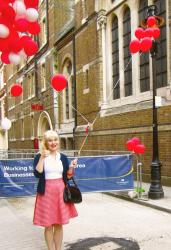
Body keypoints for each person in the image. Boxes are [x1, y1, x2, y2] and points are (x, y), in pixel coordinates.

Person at [33, 130, 78, 250]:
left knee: (58, 224)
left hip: (60, 193)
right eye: (50, 140)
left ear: (58, 141)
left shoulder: (62, 157)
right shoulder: (39, 156)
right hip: (46, 193)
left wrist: (70, 168)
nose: (53, 143)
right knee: (48, 226)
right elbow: (37, 174)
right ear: (46, 142)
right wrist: (42, 158)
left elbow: (67, 177)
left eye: (55, 140)